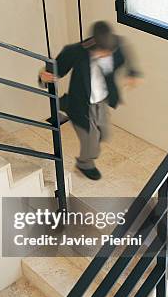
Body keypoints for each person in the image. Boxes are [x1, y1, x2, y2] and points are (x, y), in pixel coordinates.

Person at [39, 21, 141, 180]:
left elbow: (127, 59)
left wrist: (132, 74)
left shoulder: (118, 45)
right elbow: (53, 71)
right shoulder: (75, 52)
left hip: (101, 100)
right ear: (93, 44)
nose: (107, 55)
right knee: (91, 140)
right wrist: (43, 76)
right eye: (103, 52)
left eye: (109, 52)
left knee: (103, 134)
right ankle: (84, 164)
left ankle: (68, 108)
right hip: (80, 103)